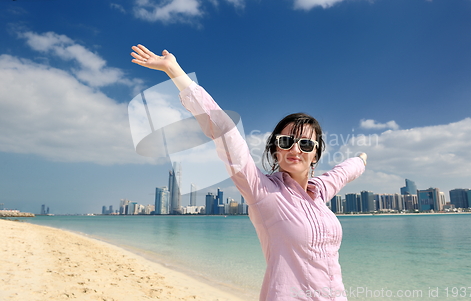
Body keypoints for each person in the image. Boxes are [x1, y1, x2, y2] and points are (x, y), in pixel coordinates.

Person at [130, 44, 367, 301]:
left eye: (306, 144)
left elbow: (343, 172)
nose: (295, 149)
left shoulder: (319, 191)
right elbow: (224, 130)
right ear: (276, 149)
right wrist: (173, 70)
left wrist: (362, 159)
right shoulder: (261, 190)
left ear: (315, 155)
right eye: (286, 141)